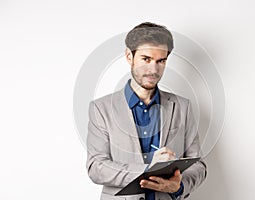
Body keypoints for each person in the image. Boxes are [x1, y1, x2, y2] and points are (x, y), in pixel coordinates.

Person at [86, 22, 207, 200]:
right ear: (129, 56)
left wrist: (178, 186)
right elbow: (96, 167)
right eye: (146, 59)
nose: (153, 69)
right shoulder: (101, 109)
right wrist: (146, 170)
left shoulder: (182, 107)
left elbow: (199, 165)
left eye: (161, 61)